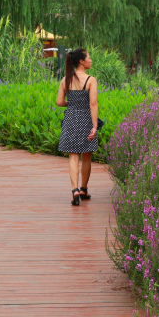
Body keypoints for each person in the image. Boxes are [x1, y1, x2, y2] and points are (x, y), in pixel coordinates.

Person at [56, 48, 98, 205]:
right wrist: (94, 126)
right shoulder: (90, 80)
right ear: (82, 61)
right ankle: (83, 189)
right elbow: (93, 103)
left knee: (73, 156)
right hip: (86, 118)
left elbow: (59, 102)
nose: (91, 60)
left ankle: (74, 191)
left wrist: (72, 103)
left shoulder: (65, 79)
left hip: (71, 119)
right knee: (86, 156)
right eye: (89, 57)